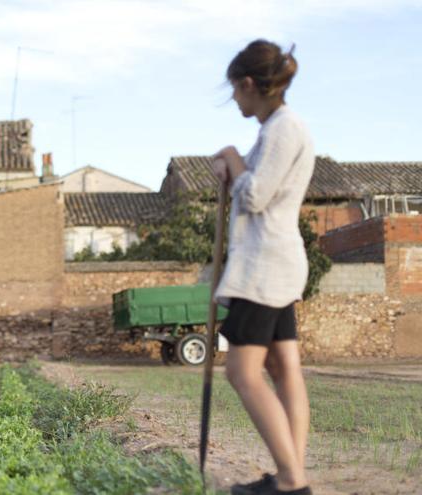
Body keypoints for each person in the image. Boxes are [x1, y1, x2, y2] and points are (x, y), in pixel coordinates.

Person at [210, 40, 314, 495]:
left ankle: (291, 481)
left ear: (249, 84)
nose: (234, 99)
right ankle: (292, 473)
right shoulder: (282, 128)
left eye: (234, 90)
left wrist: (232, 157)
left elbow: (254, 196)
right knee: (282, 367)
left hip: (264, 268)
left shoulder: (281, 130)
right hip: (276, 262)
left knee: (241, 371)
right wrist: (235, 167)